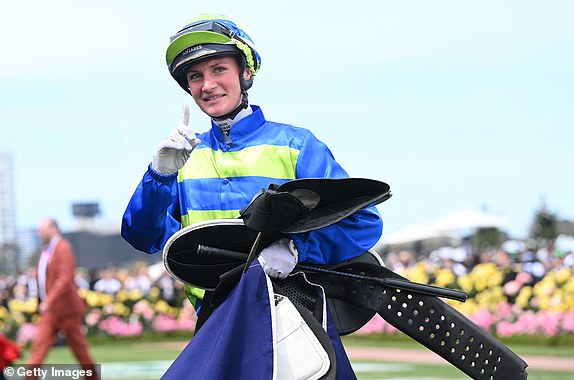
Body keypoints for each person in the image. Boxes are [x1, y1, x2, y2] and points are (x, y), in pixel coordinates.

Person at [122, 13, 383, 379]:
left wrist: (297, 250)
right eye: (195, 76)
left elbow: (363, 222)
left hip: (297, 318)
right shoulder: (183, 158)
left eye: (218, 69)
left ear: (246, 73)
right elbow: (142, 237)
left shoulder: (297, 145)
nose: (207, 85)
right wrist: (159, 176)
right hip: (218, 326)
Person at [25, 218, 98, 380]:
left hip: (66, 310)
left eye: (42, 230)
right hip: (50, 311)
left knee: (80, 351)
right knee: (38, 349)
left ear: (53, 229)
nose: (39, 234)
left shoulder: (62, 248)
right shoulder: (46, 251)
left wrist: (48, 301)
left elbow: (64, 278)